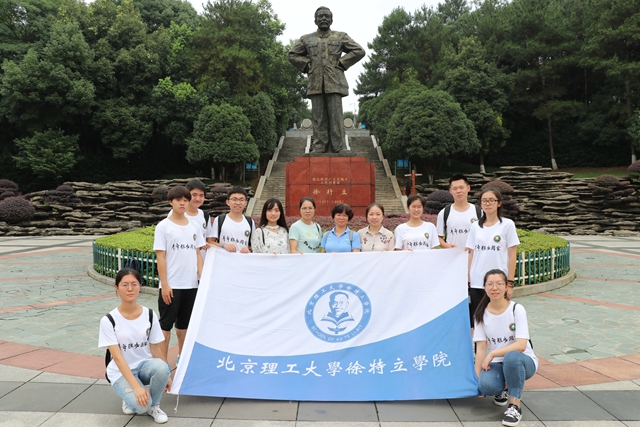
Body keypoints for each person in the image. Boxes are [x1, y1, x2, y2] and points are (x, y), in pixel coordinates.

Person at [98, 268, 172, 424]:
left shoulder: (149, 314)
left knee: (162, 367)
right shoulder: (109, 320)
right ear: (117, 288)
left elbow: (156, 347)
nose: (130, 289)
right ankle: (130, 397)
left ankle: (155, 406)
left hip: (142, 366)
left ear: (140, 286)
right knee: (140, 407)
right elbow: (117, 358)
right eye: (125, 285)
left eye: (134, 284)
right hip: (120, 371)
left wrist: (167, 374)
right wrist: (136, 388)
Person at [287, 7, 365, 153]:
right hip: (315, 82)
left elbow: (359, 51)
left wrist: (342, 63)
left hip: (334, 81)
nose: (324, 18)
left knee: (336, 116)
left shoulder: (340, 36)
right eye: (321, 16)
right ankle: (319, 147)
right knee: (318, 117)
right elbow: (292, 55)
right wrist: (306, 65)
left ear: (331, 20)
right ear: (315, 20)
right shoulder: (306, 39)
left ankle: (339, 146)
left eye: (326, 16)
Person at [474, 269, 538, 427]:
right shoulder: (480, 314)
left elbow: (521, 346)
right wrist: (478, 380)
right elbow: (481, 349)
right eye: (490, 284)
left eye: (499, 284)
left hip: (522, 361)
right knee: (487, 385)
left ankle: (515, 406)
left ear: (506, 287)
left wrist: (493, 353)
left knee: (511, 357)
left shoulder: (516, 309)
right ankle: (505, 386)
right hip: (498, 363)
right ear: (484, 287)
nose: (494, 288)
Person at [154, 186, 205, 365]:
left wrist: (201, 278)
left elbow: (197, 253)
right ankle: (162, 363)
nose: (182, 203)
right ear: (171, 202)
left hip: (191, 284)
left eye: (185, 200)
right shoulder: (163, 226)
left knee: (184, 324)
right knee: (165, 324)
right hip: (172, 285)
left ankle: (182, 358)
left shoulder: (195, 226)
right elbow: (161, 257)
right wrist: (165, 284)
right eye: (178, 200)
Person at [465, 188, 520, 329]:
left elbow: (512, 254)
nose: (487, 203)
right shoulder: (475, 226)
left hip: (498, 282)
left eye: (491, 200)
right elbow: (472, 253)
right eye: (484, 201)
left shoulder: (507, 225)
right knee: (477, 320)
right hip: (478, 281)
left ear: (499, 203)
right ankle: (479, 344)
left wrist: (510, 283)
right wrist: (469, 277)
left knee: (499, 318)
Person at [167, 179, 210, 260]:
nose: (198, 199)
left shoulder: (205, 215)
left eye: (201, 195)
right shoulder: (175, 214)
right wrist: (198, 245)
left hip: (201, 261)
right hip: (182, 261)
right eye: (194, 195)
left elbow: (208, 239)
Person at [437, 174, 482, 249]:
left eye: (461, 188)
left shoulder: (479, 212)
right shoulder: (444, 213)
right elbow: (438, 237)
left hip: (474, 255)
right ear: (450, 191)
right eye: (455, 188)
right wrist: (446, 246)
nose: (458, 191)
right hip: (453, 255)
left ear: (468, 188)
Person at [207, 186, 256, 253]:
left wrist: (248, 249)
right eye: (234, 199)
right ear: (228, 202)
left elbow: (254, 245)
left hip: (243, 259)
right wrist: (223, 245)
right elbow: (210, 242)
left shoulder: (250, 222)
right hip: (224, 259)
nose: (238, 203)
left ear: (246, 203)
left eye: (241, 200)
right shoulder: (219, 220)